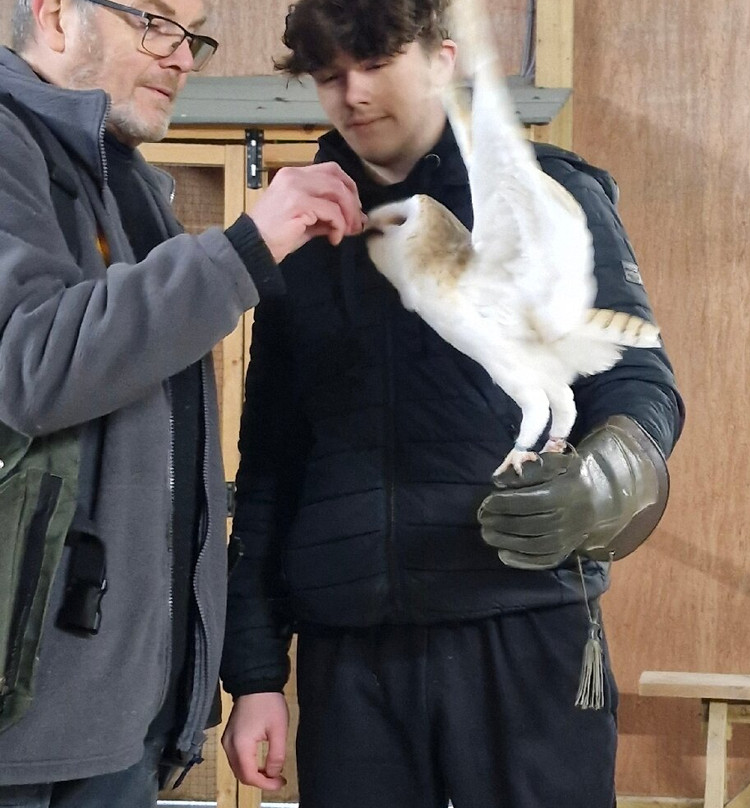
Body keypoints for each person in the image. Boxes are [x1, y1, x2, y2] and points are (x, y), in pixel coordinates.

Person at [219, 0, 684, 806]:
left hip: (524, 637)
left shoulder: (552, 192)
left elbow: (636, 381)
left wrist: (605, 480)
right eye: (330, 75)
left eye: (375, 65)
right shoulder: (300, 236)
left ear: (441, 58)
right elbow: (270, 466)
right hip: (351, 660)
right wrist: (256, 674)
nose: (353, 94)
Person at [0, 0, 364, 803]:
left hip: (116, 721)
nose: (182, 56)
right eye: (156, 22)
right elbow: (26, 362)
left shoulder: (127, 183)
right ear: (56, 15)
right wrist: (243, 250)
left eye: (192, 34)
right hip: (23, 734)